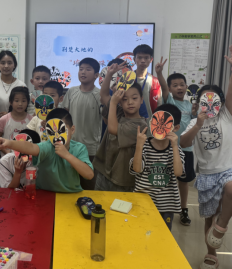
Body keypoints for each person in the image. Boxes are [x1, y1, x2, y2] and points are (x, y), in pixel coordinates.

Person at [180, 45, 232, 269]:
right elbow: (183, 142)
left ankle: (221, 226)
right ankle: (211, 254)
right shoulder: (195, 122)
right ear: (198, 101)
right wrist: (198, 124)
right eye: (205, 99)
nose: (210, 104)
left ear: (220, 102)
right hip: (208, 173)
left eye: (215, 99)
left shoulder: (227, 116)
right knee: (208, 217)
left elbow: (231, 93)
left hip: (231, 167)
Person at [0, 108, 94, 193]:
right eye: (52, 132)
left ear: (72, 130)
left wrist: (67, 155)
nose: (57, 136)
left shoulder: (79, 148)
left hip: (71, 195)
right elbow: (31, 147)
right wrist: (9, 143)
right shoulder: (47, 146)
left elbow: (89, 175)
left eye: (62, 130)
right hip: (44, 196)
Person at [129, 104, 185, 231]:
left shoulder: (176, 150)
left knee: (163, 237)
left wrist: (174, 146)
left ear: (175, 128)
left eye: (165, 124)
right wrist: (139, 146)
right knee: (141, 234)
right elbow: (136, 169)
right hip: (143, 203)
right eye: (156, 122)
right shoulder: (144, 145)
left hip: (166, 206)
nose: (160, 127)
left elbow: (178, 173)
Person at [155, 57, 197, 227]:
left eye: (182, 84)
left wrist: (195, 112)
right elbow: (163, 87)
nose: (179, 87)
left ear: (186, 87)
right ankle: (164, 206)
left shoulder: (190, 105)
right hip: (168, 148)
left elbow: (194, 123)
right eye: (175, 85)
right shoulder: (169, 101)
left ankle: (183, 209)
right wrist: (159, 73)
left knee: (184, 181)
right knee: (167, 178)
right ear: (170, 89)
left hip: (186, 149)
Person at [94, 62, 147, 192]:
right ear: (120, 102)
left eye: (134, 98)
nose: (130, 102)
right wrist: (109, 74)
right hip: (104, 171)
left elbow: (113, 129)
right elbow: (104, 96)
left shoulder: (140, 125)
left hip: (122, 179)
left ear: (141, 100)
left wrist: (113, 103)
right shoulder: (118, 112)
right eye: (124, 99)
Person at [60, 57, 101, 190]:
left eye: (88, 69)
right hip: (70, 145)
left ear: (96, 75)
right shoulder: (71, 91)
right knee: (68, 182)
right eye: (81, 69)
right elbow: (64, 115)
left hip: (91, 148)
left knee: (88, 184)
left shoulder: (99, 95)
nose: (83, 72)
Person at [0, 51, 26, 116]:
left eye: (9, 63)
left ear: (14, 65)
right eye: (3, 63)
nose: (6, 66)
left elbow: (25, 109)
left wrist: (10, 116)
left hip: (15, 121)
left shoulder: (21, 85)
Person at [132, 44, 163, 119]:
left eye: (146, 58)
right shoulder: (127, 79)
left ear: (151, 59)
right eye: (139, 57)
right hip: (130, 121)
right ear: (134, 59)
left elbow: (159, 105)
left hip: (150, 121)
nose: (143, 61)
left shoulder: (155, 81)